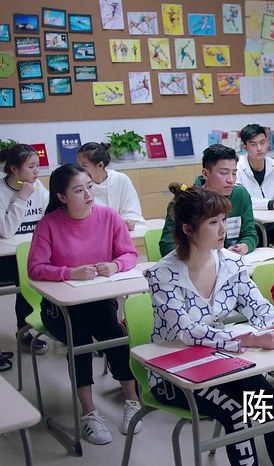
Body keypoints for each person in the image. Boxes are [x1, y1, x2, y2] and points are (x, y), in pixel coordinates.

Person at [145, 184, 274, 466]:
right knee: (236, 413)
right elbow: (186, 331)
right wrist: (248, 339)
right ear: (188, 229)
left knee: (272, 405)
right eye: (213, 222)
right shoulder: (162, 275)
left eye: (224, 220)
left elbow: (258, 306)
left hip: (222, 361)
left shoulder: (231, 263)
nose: (223, 229)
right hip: (173, 373)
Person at [27, 163, 141, 445]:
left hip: (98, 301)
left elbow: (129, 254)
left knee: (115, 335)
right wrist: (69, 273)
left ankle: (132, 401)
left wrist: (115, 265)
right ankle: (89, 412)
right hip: (60, 308)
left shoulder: (108, 216)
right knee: (79, 341)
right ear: (62, 197)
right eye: (79, 190)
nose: (89, 194)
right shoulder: (49, 224)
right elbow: (35, 268)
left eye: (90, 187)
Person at [159, 144, 258, 257]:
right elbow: (168, 246)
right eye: (224, 173)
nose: (231, 180)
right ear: (206, 174)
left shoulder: (240, 195)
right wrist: (205, 257)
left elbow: (250, 233)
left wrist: (244, 246)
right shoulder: (186, 201)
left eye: (234, 173)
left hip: (232, 261)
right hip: (196, 263)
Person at [0, 144, 50, 365]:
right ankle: (24, 330)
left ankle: (27, 329)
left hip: (33, 253)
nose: (37, 171)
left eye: (38, 165)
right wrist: (21, 198)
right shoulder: (2, 191)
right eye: (31, 166)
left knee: (38, 277)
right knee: (25, 279)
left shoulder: (38, 187)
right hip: (6, 258)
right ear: (14, 169)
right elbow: (6, 230)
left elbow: (49, 218)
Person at [76, 142, 145, 231]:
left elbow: (132, 211)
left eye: (84, 166)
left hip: (120, 232)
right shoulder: (78, 184)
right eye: (78, 165)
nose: (80, 170)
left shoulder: (121, 179)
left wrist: (127, 222)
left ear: (100, 165)